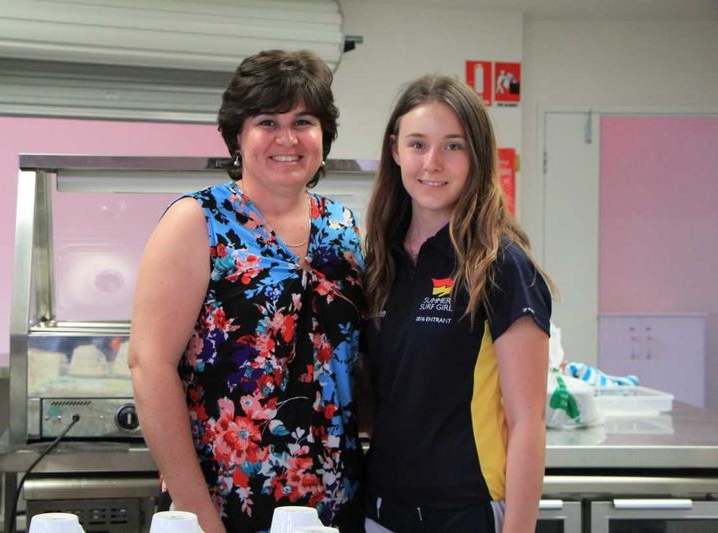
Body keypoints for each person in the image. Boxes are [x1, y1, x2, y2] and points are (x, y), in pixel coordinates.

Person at [129, 50, 366, 533]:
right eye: (267, 121)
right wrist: (198, 517)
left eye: (304, 120)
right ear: (238, 134)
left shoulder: (343, 227)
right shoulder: (198, 221)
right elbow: (149, 364)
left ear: (324, 135)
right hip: (225, 501)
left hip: (334, 503)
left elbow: (357, 362)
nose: (287, 138)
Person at [361, 74, 553, 533]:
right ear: (395, 151)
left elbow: (527, 421)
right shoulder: (378, 261)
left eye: (453, 145)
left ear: (476, 156)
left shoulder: (501, 265)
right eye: (417, 144)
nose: (432, 163)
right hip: (382, 511)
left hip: (467, 513)